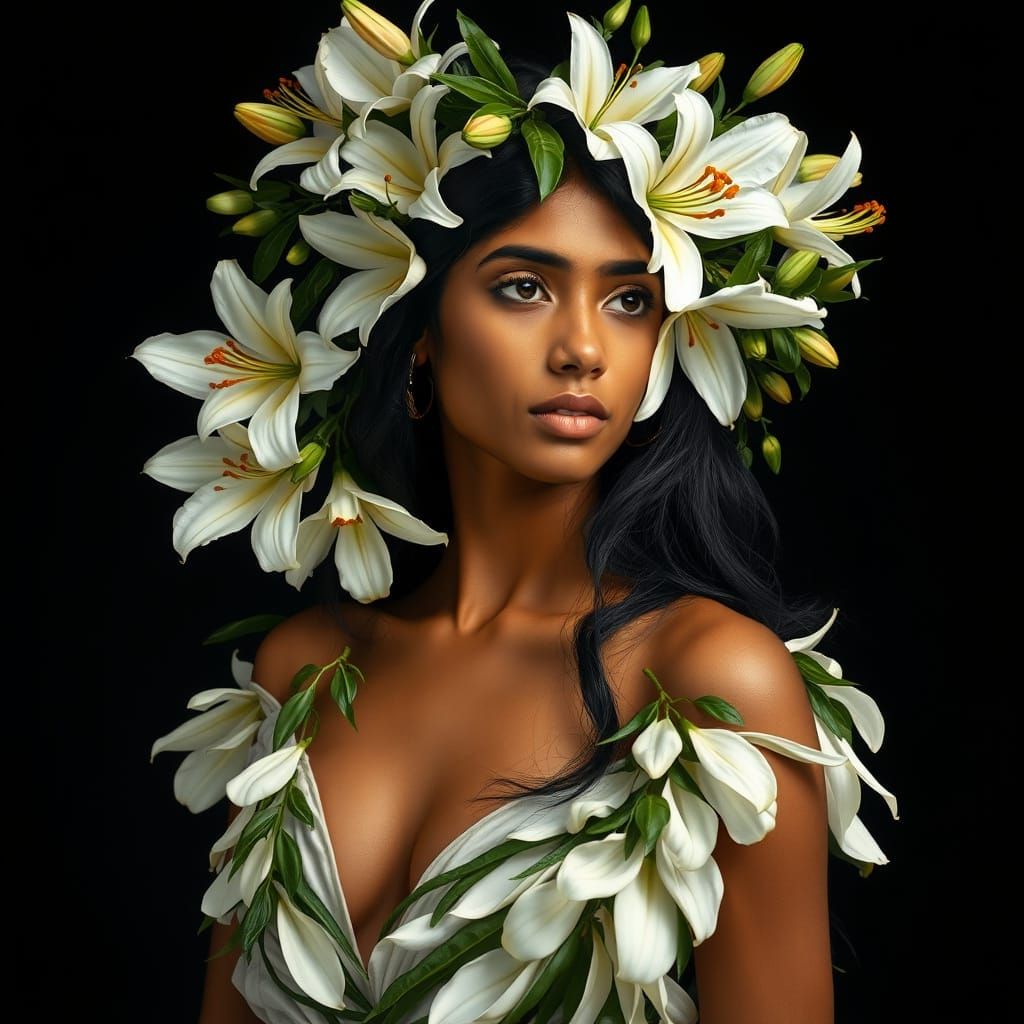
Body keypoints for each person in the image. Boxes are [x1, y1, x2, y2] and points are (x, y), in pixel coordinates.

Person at [144, 7, 896, 1023]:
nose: (583, 347)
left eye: (630, 300)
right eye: (522, 287)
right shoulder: (306, 667)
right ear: (412, 327)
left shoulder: (709, 681)